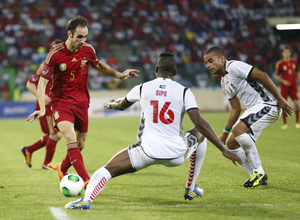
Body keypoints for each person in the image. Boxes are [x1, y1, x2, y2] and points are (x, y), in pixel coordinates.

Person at [64, 52, 243, 210]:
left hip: (146, 152)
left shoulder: (142, 87)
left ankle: (86, 201)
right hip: (176, 154)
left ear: (156, 68)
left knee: (105, 170)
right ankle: (191, 187)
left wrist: (112, 103)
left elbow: (122, 105)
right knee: (200, 133)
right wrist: (223, 149)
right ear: (175, 73)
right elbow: (200, 123)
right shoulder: (184, 91)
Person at [27, 15, 139, 188]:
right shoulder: (54, 54)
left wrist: (120, 74)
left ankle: (62, 169)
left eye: (85, 36)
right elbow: (41, 84)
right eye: (80, 37)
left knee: (80, 144)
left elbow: (99, 65)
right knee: (69, 136)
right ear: (69, 34)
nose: (83, 40)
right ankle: (87, 181)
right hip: (61, 101)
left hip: (81, 101)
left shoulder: (88, 50)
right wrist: (42, 108)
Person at [203, 46, 293, 188]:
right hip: (255, 109)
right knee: (232, 144)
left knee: (239, 130)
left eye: (210, 61)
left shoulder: (234, 67)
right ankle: (256, 175)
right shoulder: (223, 82)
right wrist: (225, 134)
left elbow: (262, 75)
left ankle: (259, 172)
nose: (208, 65)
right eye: (206, 63)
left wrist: (280, 99)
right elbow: (236, 108)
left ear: (221, 59)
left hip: (268, 104)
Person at [21, 39, 62, 170]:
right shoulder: (44, 66)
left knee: (54, 134)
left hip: (56, 104)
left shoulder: (64, 67)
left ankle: (28, 150)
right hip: (45, 106)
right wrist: (42, 96)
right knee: (56, 134)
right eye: (54, 49)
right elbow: (29, 84)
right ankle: (47, 163)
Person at [274, 47, 300, 129]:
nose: (286, 54)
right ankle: (285, 123)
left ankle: (297, 122)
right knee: (283, 104)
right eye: (285, 52)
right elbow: (276, 76)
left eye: (288, 52)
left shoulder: (294, 62)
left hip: (294, 86)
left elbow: (297, 72)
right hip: (284, 87)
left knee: (296, 103)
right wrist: (284, 81)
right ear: (283, 54)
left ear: (290, 53)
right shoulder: (280, 63)